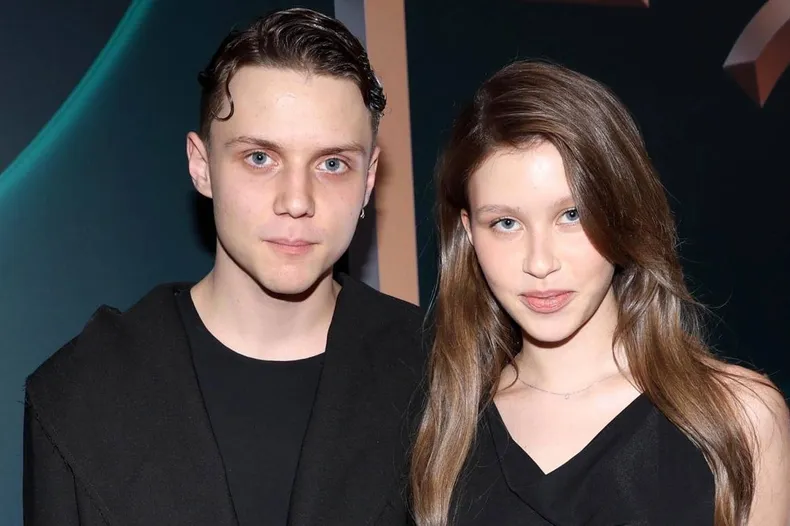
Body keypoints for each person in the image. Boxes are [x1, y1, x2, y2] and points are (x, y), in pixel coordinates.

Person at [23, 8, 425, 526]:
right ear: (201, 166)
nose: (296, 201)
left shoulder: (442, 379)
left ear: (368, 180)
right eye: (260, 158)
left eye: (332, 164)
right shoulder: (80, 392)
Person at [410, 60, 790, 526]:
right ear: (470, 232)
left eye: (571, 215)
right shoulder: (447, 439)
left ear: (620, 212)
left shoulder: (739, 418)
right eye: (506, 223)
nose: (540, 263)